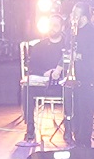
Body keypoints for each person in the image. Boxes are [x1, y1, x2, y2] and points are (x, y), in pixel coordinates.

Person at [23, 15, 71, 144]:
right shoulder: (39, 46)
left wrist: (59, 73)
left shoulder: (67, 45)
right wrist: (45, 73)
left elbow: (71, 64)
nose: (52, 28)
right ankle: (30, 129)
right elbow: (32, 67)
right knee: (26, 89)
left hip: (61, 84)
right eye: (50, 25)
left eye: (55, 26)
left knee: (71, 90)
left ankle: (69, 130)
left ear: (62, 27)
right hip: (43, 83)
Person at [69, 2, 94, 147]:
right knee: (77, 111)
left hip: (89, 80)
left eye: (75, 14)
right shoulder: (76, 31)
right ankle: (77, 140)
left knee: (85, 113)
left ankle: (84, 144)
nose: (72, 16)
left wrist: (78, 56)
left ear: (83, 17)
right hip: (78, 79)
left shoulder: (93, 34)